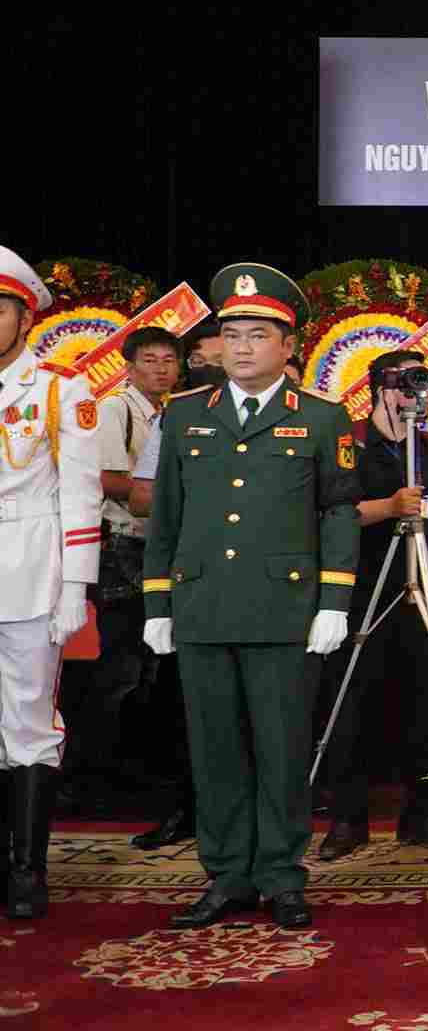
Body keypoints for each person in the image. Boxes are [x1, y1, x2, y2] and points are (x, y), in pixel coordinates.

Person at [141, 264, 358, 929]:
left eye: (257, 335)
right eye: (230, 335)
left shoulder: (322, 418)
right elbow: (165, 517)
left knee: (283, 748)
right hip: (203, 608)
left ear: (288, 346)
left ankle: (283, 876)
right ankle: (228, 875)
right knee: (214, 752)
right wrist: (157, 604)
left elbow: (339, 513)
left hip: (285, 612)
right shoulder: (183, 417)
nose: (240, 347)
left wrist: (334, 602)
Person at [314, 348, 428, 860]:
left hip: (424, 587)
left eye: (420, 385)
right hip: (361, 586)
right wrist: (388, 508)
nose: (412, 396)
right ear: (378, 388)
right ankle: (347, 818)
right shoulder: (351, 443)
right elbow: (329, 513)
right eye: (403, 385)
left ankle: (425, 813)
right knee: (351, 698)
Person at [0, 245, 102, 920]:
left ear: (23, 315)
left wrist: (76, 588)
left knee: (28, 721)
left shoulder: (61, 387)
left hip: (30, 567)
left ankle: (26, 869)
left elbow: (83, 493)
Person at [66, 326, 181, 813]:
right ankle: (84, 777)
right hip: (123, 548)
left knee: (152, 664)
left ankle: (132, 769)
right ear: (129, 367)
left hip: (161, 546)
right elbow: (105, 479)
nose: (160, 369)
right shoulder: (115, 410)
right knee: (122, 664)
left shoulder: (173, 412)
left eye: (168, 361)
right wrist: (164, 495)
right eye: (150, 360)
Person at [123, 369, 214, 850]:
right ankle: (187, 808)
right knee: (180, 704)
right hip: (186, 574)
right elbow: (142, 498)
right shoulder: (175, 421)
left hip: (260, 581)